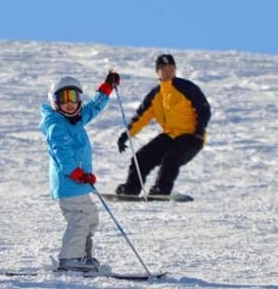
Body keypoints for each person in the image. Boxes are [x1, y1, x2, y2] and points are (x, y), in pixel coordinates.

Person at [39, 71, 121, 272]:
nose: (69, 103)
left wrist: (106, 89)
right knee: (79, 218)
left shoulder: (75, 119)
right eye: (64, 98)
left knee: (90, 218)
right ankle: (71, 258)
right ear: (54, 102)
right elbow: (61, 153)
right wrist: (76, 173)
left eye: (73, 97)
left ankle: (83, 255)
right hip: (69, 183)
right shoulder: (56, 125)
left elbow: (93, 108)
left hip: (79, 183)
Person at [115, 54, 211, 196]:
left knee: (171, 158)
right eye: (164, 69)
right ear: (157, 72)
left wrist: (199, 131)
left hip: (191, 136)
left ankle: (161, 189)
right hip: (170, 135)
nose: (168, 72)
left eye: (171, 68)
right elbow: (141, 118)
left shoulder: (187, 88)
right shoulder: (156, 95)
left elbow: (203, 109)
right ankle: (131, 188)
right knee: (141, 157)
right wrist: (126, 136)